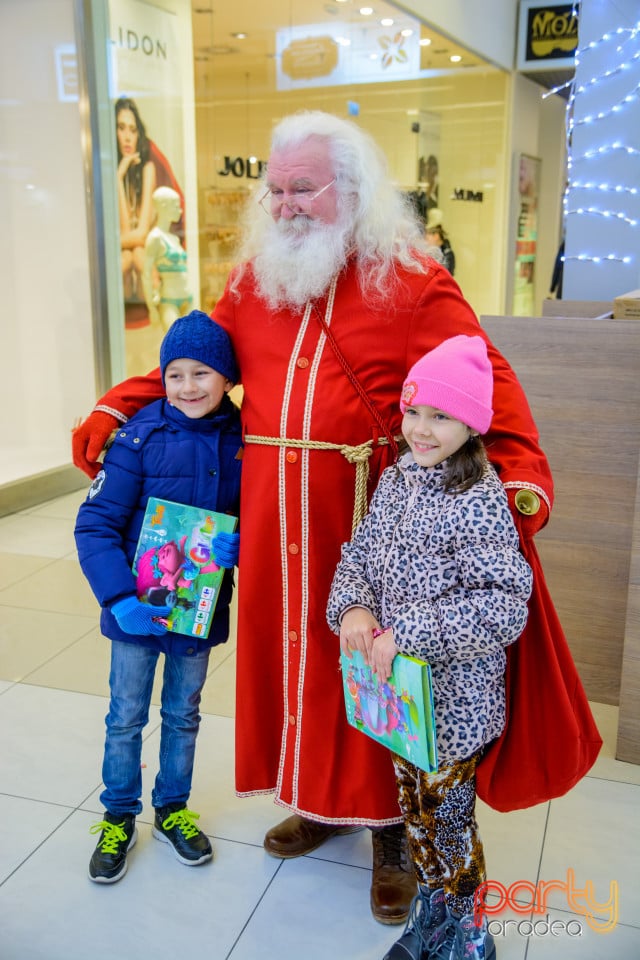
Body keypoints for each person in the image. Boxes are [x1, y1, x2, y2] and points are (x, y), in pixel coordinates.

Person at [72, 109, 556, 923]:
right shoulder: (257, 277)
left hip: (364, 512)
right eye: (276, 188)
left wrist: (521, 474)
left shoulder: (410, 278)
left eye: (304, 187)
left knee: (372, 665)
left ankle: (394, 837)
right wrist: (120, 408)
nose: (285, 203)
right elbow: (197, 358)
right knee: (294, 664)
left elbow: (482, 372)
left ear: (353, 192)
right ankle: (321, 801)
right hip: (267, 513)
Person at [327, 335, 533, 960]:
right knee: (415, 806)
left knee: (449, 819)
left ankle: (465, 932)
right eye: (413, 410)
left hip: (454, 704)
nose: (420, 428)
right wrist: (355, 606)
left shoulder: (479, 501)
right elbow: (359, 556)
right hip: (402, 701)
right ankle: (432, 915)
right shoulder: (397, 481)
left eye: (440, 415)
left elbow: (505, 605)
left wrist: (408, 633)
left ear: (472, 424)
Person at [74, 310, 242, 884]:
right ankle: (119, 814)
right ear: (162, 378)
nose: (188, 387)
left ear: (227, 378)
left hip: (198, 611)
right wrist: (118, 598)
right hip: (134, 613)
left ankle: (172, 809)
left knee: (183, 714)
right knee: (125, 717)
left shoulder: (246, 441)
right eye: (176, 374)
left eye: (202, 374)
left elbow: (260, 521)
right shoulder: (138, 437)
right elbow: (94, 524)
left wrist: (237, 546)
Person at [116, 97, 158, 302]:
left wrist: (110, 244)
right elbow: (126, 233)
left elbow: (140, 235)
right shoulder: (112, 174)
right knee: (126, 258)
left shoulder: (147, 169)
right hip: (126, 254)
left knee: (139, 255)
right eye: (121, 128)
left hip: (143, 251)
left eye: (132, 130)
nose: (127, 137)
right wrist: (118, 179)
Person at [142, 187, 193, 331]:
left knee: (192, 348)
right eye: (176, 206)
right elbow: (145, 274)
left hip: (187, 298)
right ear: (163, 207)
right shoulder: (155, 238)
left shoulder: (174, 238)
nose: (180, 211)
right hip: (169, 301)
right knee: (174, 349)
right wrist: (151, 308)